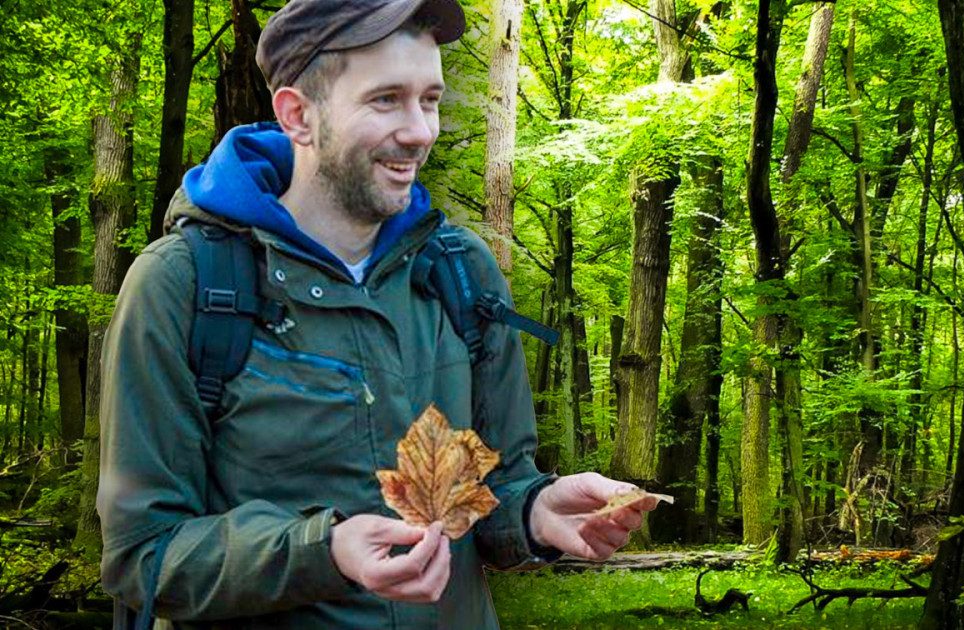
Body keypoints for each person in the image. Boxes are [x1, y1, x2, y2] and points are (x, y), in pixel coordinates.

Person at [96, 0, 658, 627]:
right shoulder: (186, 286)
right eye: (386, 99)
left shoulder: (461, 274)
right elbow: (142, 556)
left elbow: (492, 497)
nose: (421, 130)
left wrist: (537, 513)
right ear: (298, 115)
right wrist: (324, 552)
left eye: (431, 99)